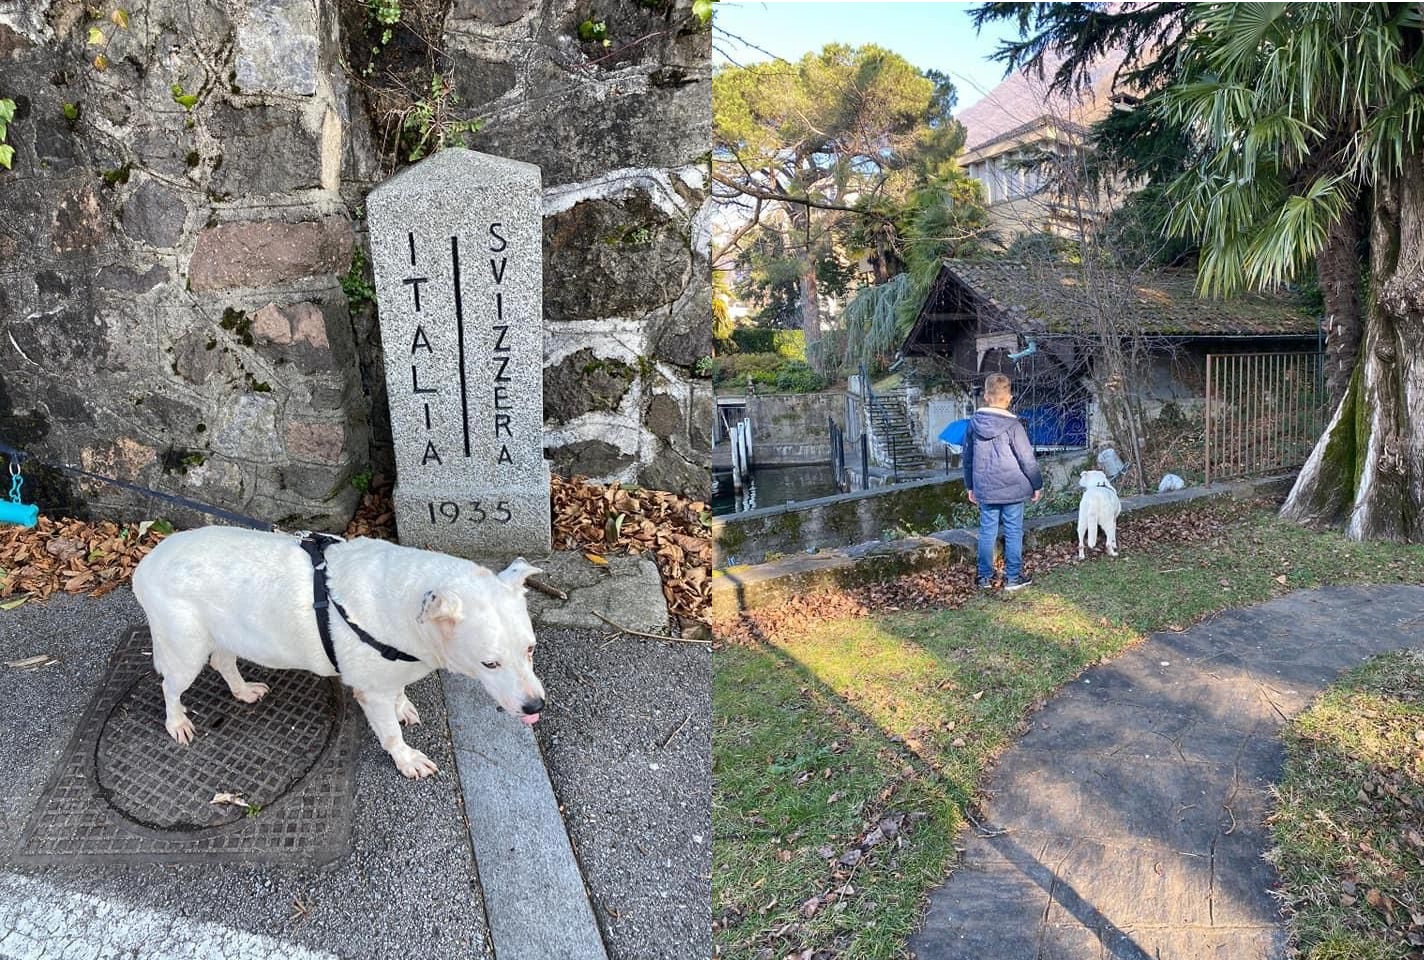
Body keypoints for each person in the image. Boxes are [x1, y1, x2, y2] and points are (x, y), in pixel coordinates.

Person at [963, 373, 1042, 591]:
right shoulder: (1013, 425)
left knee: (987, 531)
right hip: (1013, 488)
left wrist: (970, 486)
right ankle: (1013, 578)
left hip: (986, 488)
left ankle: (984, 578)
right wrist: (1037, 484)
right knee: (1013, 531)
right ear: (1009, 398)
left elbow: (967, 459)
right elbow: (1026, 458)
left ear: (986, 396)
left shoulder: (973, 424)